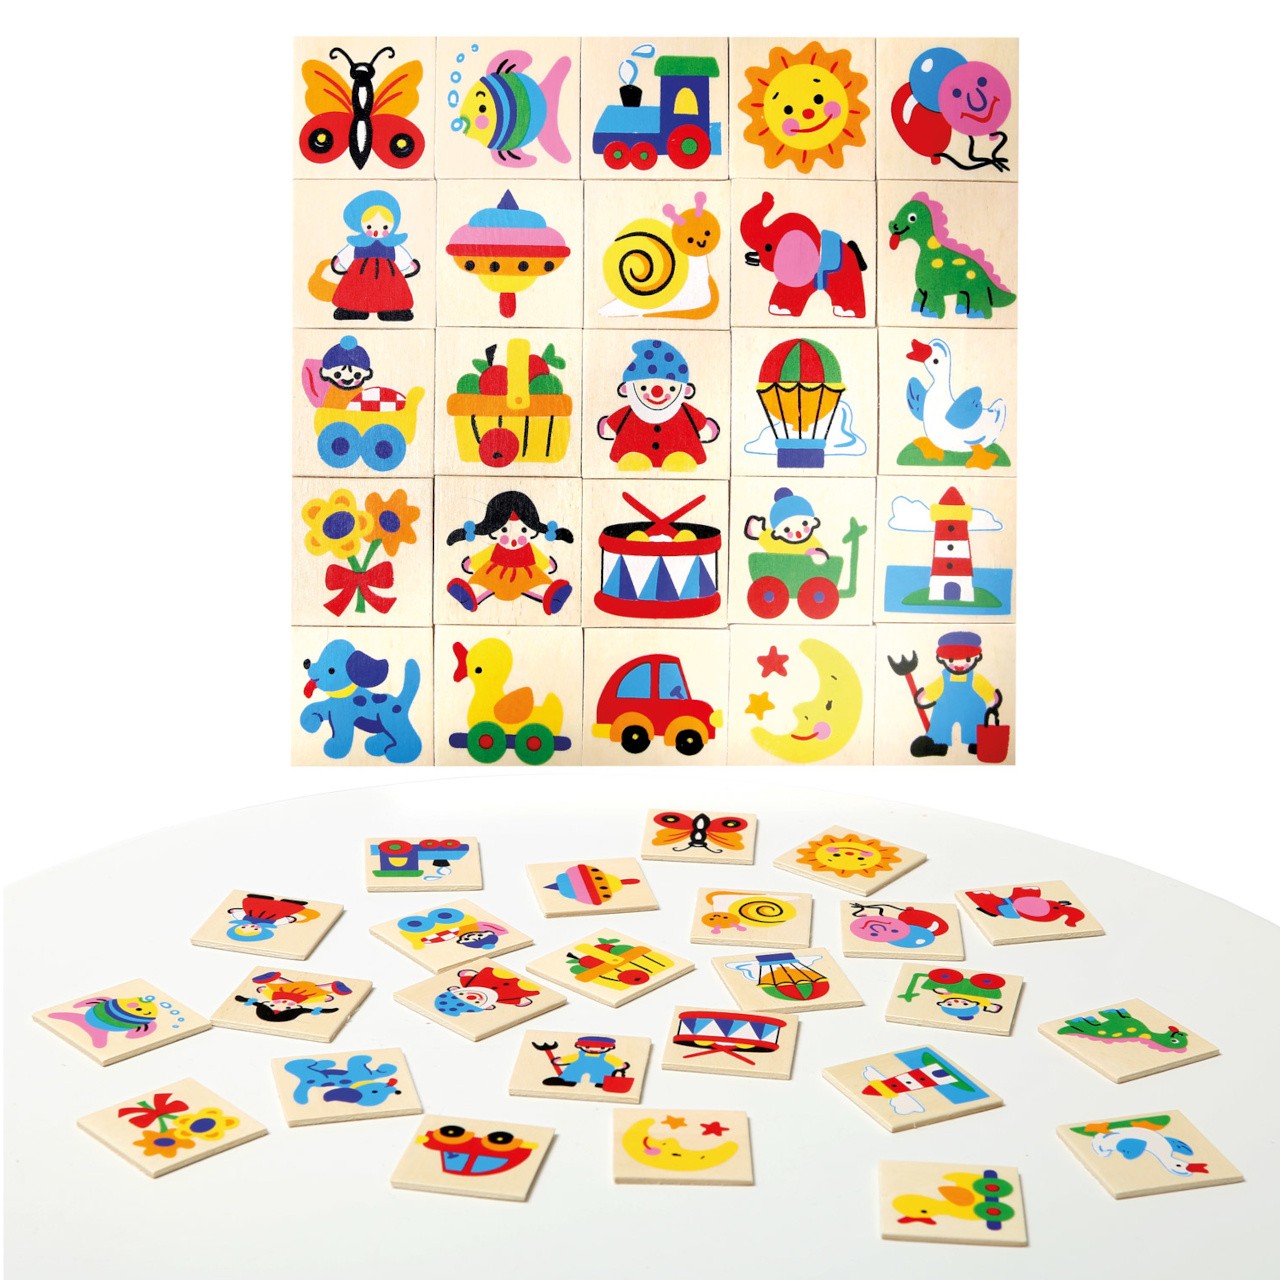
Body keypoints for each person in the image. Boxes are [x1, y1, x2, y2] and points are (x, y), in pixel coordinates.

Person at [597, 340, 719, 470]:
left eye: (672, 389)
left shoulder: (686, 412)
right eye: (643, 387)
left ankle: (679, 460)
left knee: (680, 461)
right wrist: (607, 425)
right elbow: (613, 423)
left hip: (681, 454)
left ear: (687, 391)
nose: (657, 393)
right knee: (633, 461)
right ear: (625, 389)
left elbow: (700, 422)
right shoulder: (629, 412)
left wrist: (706, 426)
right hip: (632, 454)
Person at [445, 490, 573, 615]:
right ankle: (469, 596)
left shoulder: (530, 549)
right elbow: (484, 555)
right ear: (493, 530)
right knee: (483, 585)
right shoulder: (494, 548)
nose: (513, 538)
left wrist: (548, 563)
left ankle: (552, 598)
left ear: (532, 530)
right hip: (495, 574)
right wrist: (471, 561)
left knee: (538, 585)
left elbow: (538, 557)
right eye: (504, 530)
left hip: (526, 576)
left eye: (523, 530)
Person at [912, 630, 1001, 757]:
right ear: (941, 659)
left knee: (975, 720)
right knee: (940, 717)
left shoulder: (976, 679)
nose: (960, 665)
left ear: (977, 657)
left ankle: (977, 742)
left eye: (967, 659)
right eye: (952, 660)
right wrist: (923, 697)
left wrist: (992, 700)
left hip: (971, 708)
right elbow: (933, 688)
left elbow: (988, 692)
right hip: (947, 708)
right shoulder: (944, 679)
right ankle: (937, 742)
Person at [542, 1035, 628, 1088]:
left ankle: (602, 1082)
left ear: (610, 1047)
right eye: (587, 1047)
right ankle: (567, 1080)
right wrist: (561, 1060)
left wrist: (621, 1064)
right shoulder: (579, 1055)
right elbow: (570, 1058)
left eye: (602, 1048)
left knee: (605, 1070)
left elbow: (614, 1060)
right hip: (581, 1066)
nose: (594, 1050)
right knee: (573, 1068)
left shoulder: (607, 1056)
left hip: (600, 1068)